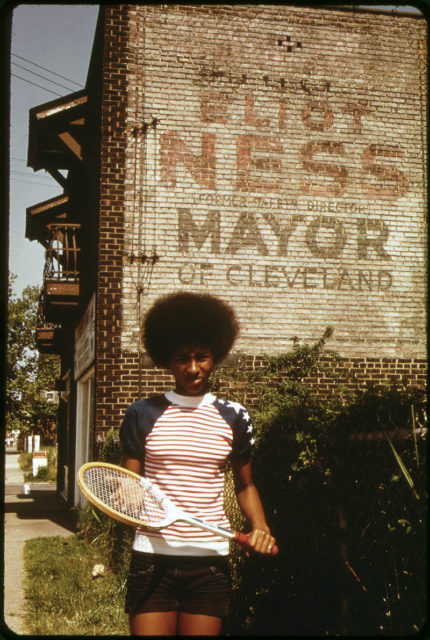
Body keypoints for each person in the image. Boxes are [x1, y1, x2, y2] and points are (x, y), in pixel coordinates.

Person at [119, 291, 276, 636]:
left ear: (215, 356)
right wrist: (128, 501)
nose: (193, 368)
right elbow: (129, 485)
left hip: (209, 561)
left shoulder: (235, 416)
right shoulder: (141, 413)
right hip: (151, 557)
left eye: (202, 357)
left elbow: (245, 485)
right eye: (182, 358)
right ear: (167, 360)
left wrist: (259, 527)